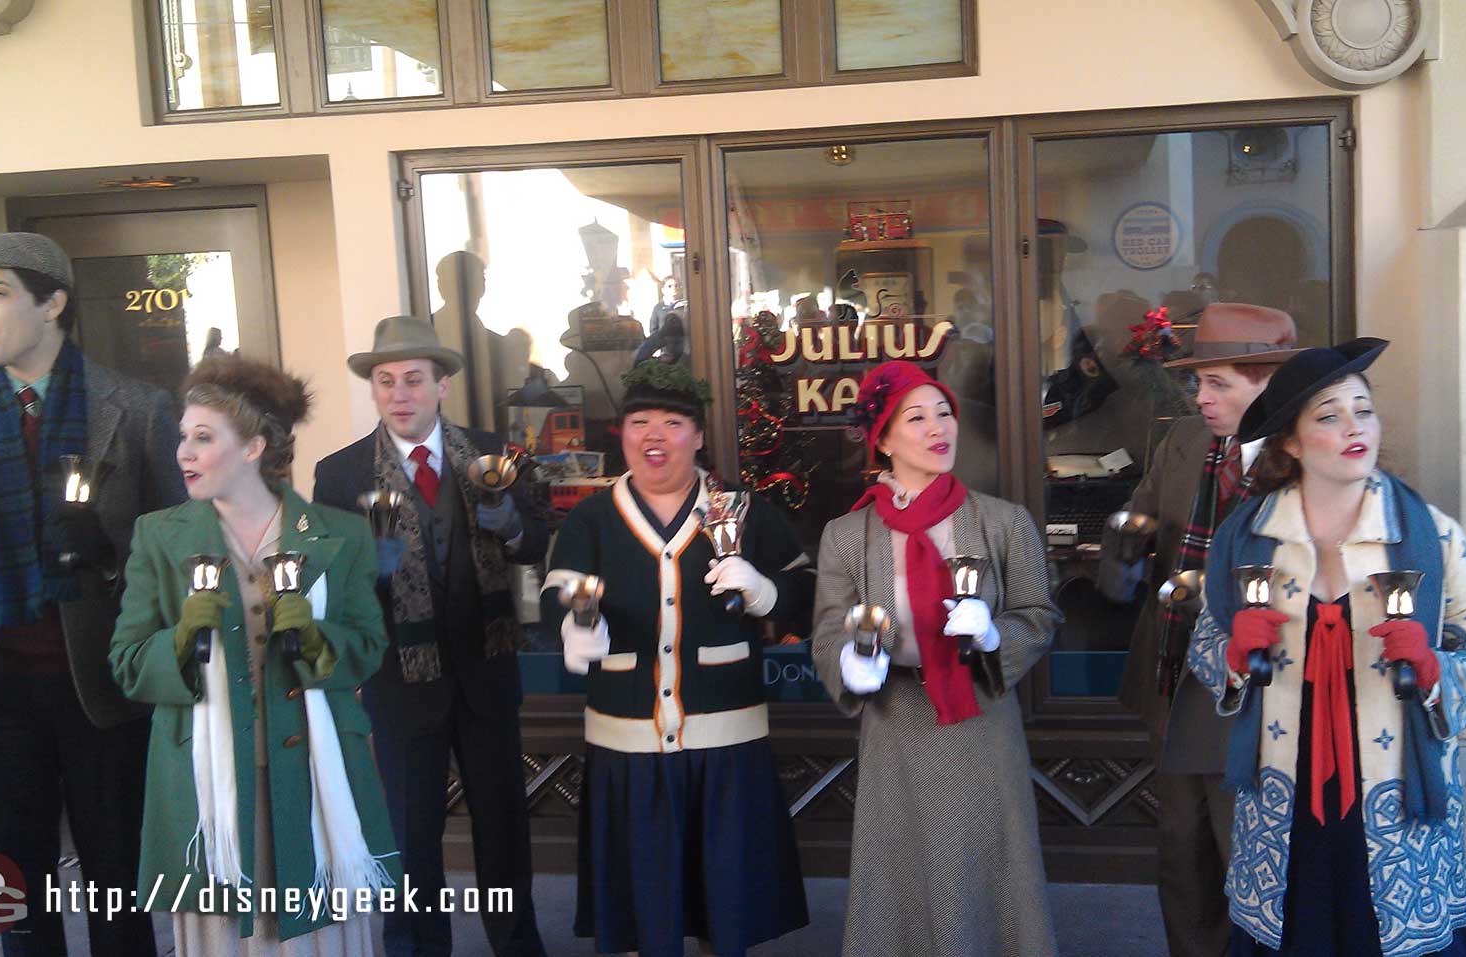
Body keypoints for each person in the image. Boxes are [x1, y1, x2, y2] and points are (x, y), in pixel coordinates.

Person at [0, 232, 181, 956]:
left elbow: (179, 555)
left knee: (117, 879)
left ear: (52, 302)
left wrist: (111, 560)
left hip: (100, 685)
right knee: (14, 888)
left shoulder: (140, 407)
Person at [1188, 338, 1466, 956]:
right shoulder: (1247, 537)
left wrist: (1436, 666)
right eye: (1329, 416)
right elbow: (1206, 639)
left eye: (1364, 410)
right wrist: (1230, 656)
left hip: (1396, 801)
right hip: (1285, 794)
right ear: (1291, 442)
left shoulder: (1431, 535)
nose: (1355, 427)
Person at [110, 354, 399, 953]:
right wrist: (181, 639)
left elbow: (369, 650)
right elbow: (129, 663)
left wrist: (319, 641)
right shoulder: (158, 537)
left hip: (317, 782)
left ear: (252, 448)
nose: (183, 453)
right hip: (206, 793)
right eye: (182, 438)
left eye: (203, 437)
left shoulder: (339, 535)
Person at [543, 360, 810, 957]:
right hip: (627, 742)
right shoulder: (591, 516)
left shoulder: (739, 511)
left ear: (697, 435)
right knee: (642, 908)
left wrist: (766, 591)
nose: (654, 435)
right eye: (640, 421)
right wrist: (573, 626)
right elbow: (558, 594)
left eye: (672, 422)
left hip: (727, 739)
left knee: (725, 904)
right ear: (623, 433)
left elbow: (806, 591)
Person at [313, 315, 549, 957]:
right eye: (385, 381)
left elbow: (537, 543)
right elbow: (331, 588)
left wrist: (507, 520)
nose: (399, 393)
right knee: (409, 837)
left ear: (441, 385)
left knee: (503, 828)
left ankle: (518, 944)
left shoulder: (492, 452)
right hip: (398, 684)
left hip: (487, 671)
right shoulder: (340, 474)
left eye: (413, 379)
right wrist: (371, 566)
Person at [809, 360, 1060, 957]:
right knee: (899, 868)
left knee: (987, 863)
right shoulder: (848, 535)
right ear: (884, 439)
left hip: (981, 719)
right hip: (896, 721)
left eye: (943, 413)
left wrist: (995, 636)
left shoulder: (1002, 522)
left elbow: (1039, 614)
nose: (937, 428)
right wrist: (849, 663)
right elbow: (827, 628)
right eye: (916, 418)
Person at [1103, 302, 1303, 957]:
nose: (1200, 396)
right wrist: (1124, 552)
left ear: (1266, 384)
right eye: (1198, 381)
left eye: (1218, 383)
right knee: (1184, 862)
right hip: (1176, 680)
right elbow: (1138, 518)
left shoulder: (1308, 457)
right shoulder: (1186, 440)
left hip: (1259, 699)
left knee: (1254, 867)